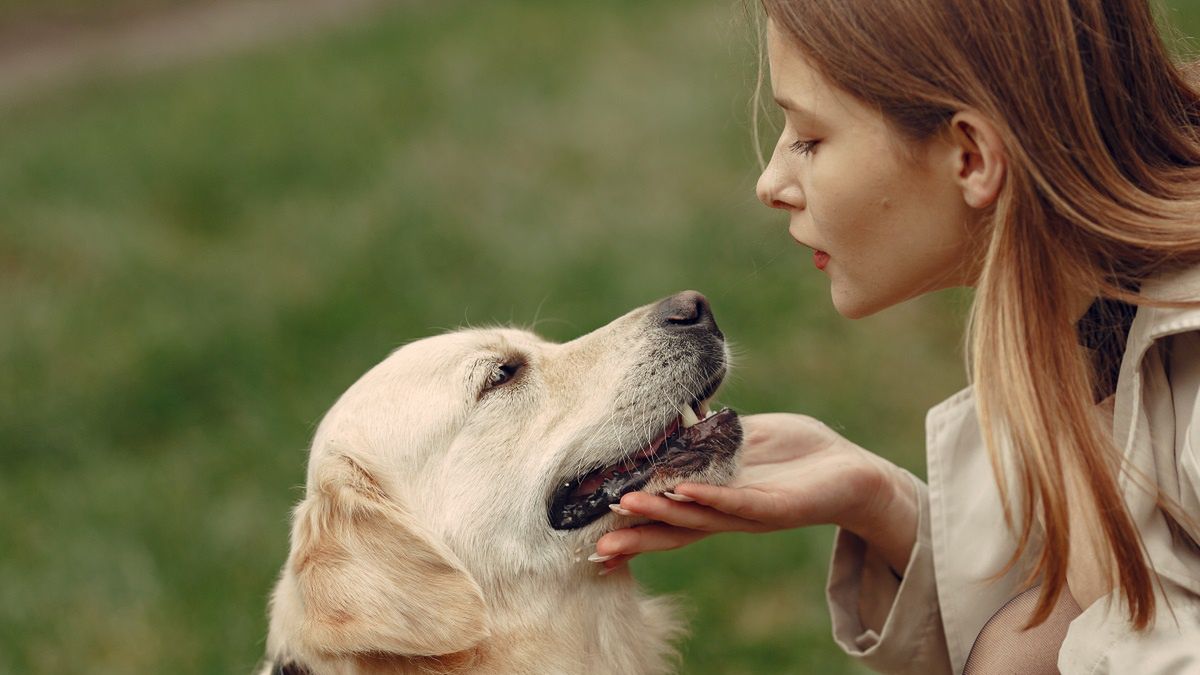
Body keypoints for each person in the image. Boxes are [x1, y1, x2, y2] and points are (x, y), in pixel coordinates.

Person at [591, 1, 1200, 672]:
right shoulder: (1091, 329)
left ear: (970, 157)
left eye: (810, 138)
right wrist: (884, 504)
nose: (771, 182)